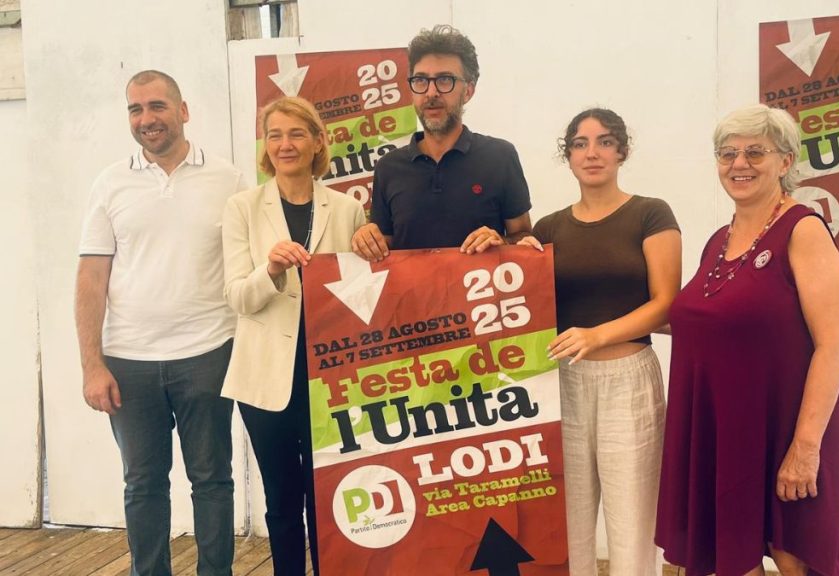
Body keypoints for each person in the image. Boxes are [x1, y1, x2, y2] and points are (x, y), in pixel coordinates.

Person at [655, 104, 839, 576]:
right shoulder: (719, 240)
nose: (739, 164)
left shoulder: (803, 229)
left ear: (785, 162)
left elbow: (835, 344)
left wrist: (805, 446)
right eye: (727, 154)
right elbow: (711, 323)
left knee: (796, 557)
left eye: (755, 152)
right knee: (733, 553)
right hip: (729, 429)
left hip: (793, 424)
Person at [76, 70, 243, 576]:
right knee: (143, 484)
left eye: (157, 106)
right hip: (129, 362)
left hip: (208, 353)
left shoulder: (229, 180)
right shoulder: (110, 183)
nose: (146, 118)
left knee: (212, 481)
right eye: (135, 109)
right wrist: (92, 366)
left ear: (183, 110)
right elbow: (91, 277)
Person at [519, 108, 682, 576]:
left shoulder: (650, 213)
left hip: (628, 380)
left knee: (633, 523)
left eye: (605, 142)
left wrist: (597, 335)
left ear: (621, 151)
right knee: (566, 526)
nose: (592, 153)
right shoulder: (548, 228)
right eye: (580, 143)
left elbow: (666, 304)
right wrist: (507, 252)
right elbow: (522, 298)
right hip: (562, 384)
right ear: (568, 155)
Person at [221, 96, 365, 576]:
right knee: (282, 499)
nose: (285, 144)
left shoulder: (347, 209)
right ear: (266, 145)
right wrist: (272, 269)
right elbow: (237, 297)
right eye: (275, 135)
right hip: (264, 380)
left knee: (328, 495)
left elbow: (362, 294)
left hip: (331, 378)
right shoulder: (242, 208)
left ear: (319, 141)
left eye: (297, 134)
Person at [351, 24, 532, 260]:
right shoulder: (388, 167)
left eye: (445, 80)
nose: (431, 92)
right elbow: (383, 247)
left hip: (481, 285)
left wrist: (502, 241)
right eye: (421, 80)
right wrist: (365, 239)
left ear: (468, 91)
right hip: (411, 286)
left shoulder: (500, 156)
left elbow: (524, 236)